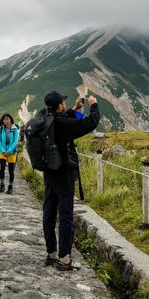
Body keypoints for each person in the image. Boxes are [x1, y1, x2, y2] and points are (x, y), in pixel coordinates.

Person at [41, 91, 99, 271]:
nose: (64, 104)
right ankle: (65, 258)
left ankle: (51, 253)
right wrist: (94, 105)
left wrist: (76, 108)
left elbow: (63, 118)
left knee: (49, 213)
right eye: (63, 103)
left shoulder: (45, 118)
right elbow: (90, 123)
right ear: (59, 106)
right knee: (65, 216)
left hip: (49, 174)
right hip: (64, 175)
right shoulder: (62, 123)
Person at [0, 113, 20, 194]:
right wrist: (3, 150)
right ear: (2, 120)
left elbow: (15, 141)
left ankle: (10, 186)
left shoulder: (15, 129)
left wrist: (9, 151)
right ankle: (2, 184)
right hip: (2, 152)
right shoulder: (0, 129)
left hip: (12, 152)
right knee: (2, 168)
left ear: (11, 120)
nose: (6, 121)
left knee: (11, 170)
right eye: (4, 119)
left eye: (7, 119)